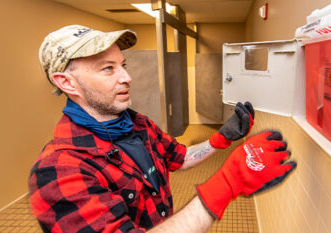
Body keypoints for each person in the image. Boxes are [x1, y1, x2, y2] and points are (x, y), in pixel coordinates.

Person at [29, 25, 297, 233]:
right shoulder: (58, 170)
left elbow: (179, 158)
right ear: (67, 83)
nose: (126, 77)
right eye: (108, 69)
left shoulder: (137, 123)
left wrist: (220, 138)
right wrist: (225, 185)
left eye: (123, 65)